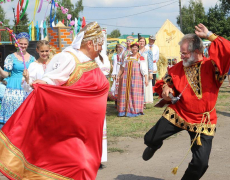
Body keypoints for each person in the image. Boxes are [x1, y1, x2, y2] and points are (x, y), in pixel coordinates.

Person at [0, 22, 109, 180]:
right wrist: (36, 84)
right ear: (90, 43)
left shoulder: (91, 61)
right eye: (99, 45)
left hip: (87, 128)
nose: (101, 49)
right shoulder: (68, 58)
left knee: (86, 164)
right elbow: (50, 81)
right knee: (79, 166)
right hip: (69, 129)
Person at [142, 23, 230, 180]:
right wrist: (166, 89)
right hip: (179, 113)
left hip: (203, 121)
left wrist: (210, 36)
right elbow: (164, 83)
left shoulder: (212, 67)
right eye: (181, 53)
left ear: (197, 52)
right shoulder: (178, 67)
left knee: (201, 163)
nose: (181, 56)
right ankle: (154, 145)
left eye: (184, 53)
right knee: (149, 138)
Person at [0, 32, 35, 128]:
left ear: (28, 45)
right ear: (17, 43)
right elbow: (6, 74)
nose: (23, 46)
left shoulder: (32, 59)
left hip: (25, 86)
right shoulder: (11, 57)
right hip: (12, 86)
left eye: (25, 44)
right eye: (21, 44)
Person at [117, 43, 148, 117]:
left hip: (136, 78)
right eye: (133, 47)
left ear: (138, 48)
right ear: (131, 48)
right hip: (126, 78)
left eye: (136, 47)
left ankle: (134, 110)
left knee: (134, 93)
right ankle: (124, 110)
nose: (134, 49)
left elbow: (144, 69)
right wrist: (118, 75)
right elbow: (122, 68)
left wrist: (146, 78)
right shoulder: (127, 57)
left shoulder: (140, 57)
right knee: (125, 93)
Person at [138, 37, 154, 106]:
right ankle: (139, 101)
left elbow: (150, 62)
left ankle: (144, 102)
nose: (141, 43)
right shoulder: (136, 51)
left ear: (145, 42)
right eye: (140, 41)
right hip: (137, 71)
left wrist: (150, 72)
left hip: (146, 71)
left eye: (143, 41)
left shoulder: (148, 51)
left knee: (145, 85)